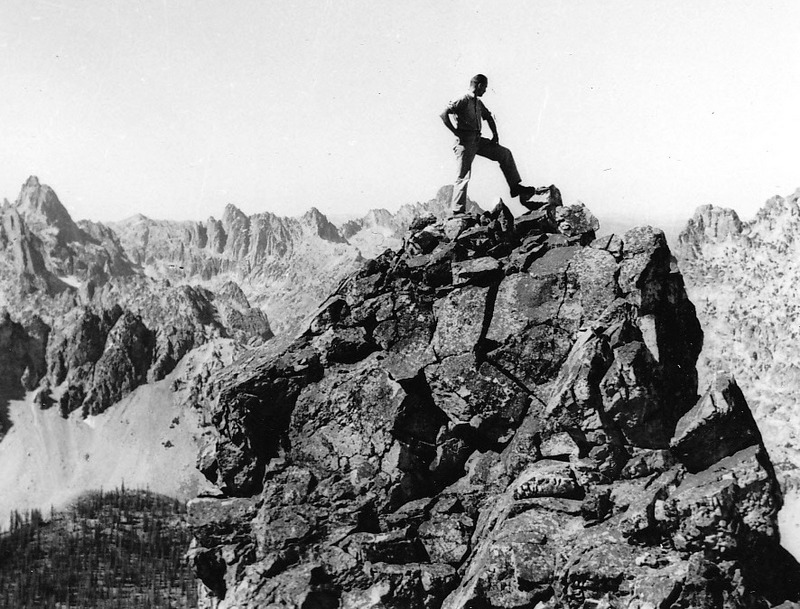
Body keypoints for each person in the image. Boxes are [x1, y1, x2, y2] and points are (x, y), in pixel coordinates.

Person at [441, 74, 546, 214]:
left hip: (478, 140)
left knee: (505, 154)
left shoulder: (478, 102)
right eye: (484, 87)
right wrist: (455, 131)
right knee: (463, 176)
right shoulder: (463, 99)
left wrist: (495, 134)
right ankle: (457, 211)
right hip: (465, 142)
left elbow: (489, 117)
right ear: (479, 85)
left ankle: (515, 187)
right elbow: (444, 114)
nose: (485, 90)